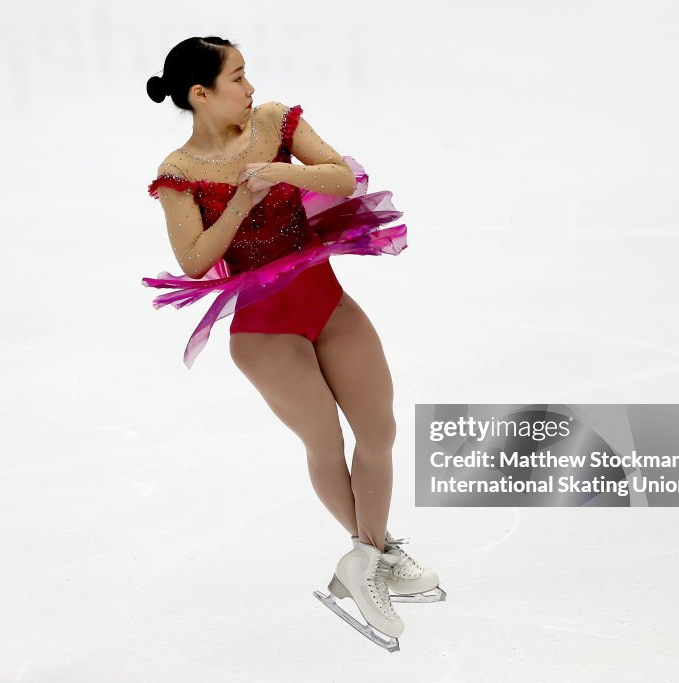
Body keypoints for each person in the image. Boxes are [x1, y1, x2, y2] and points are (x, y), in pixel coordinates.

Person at [141, 36, 444, 651]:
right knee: (327, 442)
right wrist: (239, 205)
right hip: (264, 331)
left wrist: (280, 169)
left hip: (328, 303)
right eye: (237, 77)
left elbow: (343, 175)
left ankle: (368, 559)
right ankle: (375, 561)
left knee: (379, 430)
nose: (250, 87)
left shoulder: (275, 123)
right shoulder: (180, 173)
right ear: (201, 94)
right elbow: (195, 261)